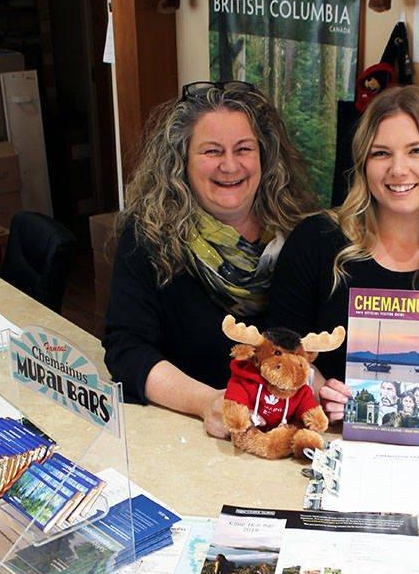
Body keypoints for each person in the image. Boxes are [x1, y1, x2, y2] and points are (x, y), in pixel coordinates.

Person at [270, 86, 419, 432]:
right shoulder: (316, 241)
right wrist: (321, 391)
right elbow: (282, 344)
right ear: (363, 163)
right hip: (330, 439)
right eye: (381, 153)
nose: (398, 169)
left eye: (417, 151)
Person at [103, 81, 316, 437]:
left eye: (243, 149)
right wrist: (208, 403)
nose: (230, 166)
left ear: (264, 155)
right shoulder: (150, 237)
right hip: (191, 435)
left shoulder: (306, 235)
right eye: (212, 151)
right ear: (181, 162)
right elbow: (127, 350)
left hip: (289, 436)